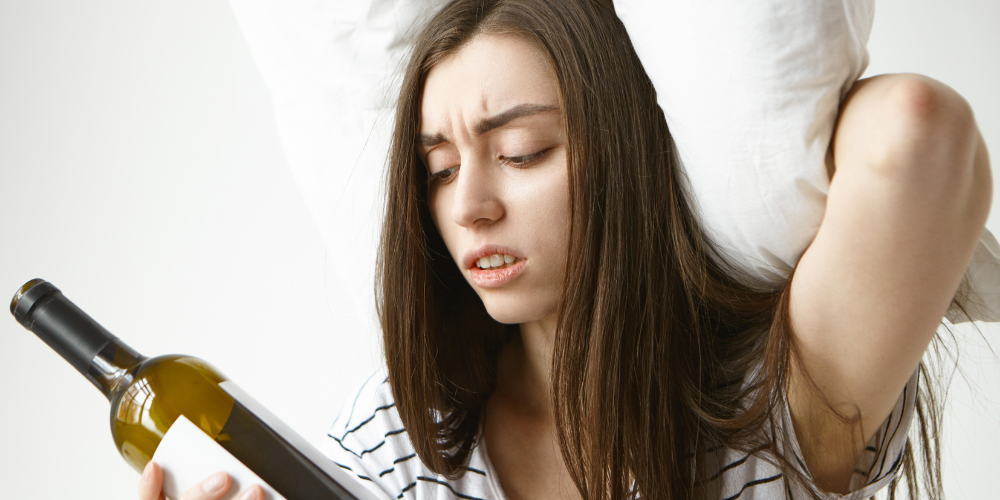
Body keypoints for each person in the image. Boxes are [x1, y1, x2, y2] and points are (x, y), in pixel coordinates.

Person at [138, 0, 992, 498]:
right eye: (437, 170)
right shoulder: (397, 438)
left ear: (623, 151)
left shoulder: (770, 393)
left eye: (522, 154)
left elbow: (916, 136)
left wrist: (742, 169)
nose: (469, 208)